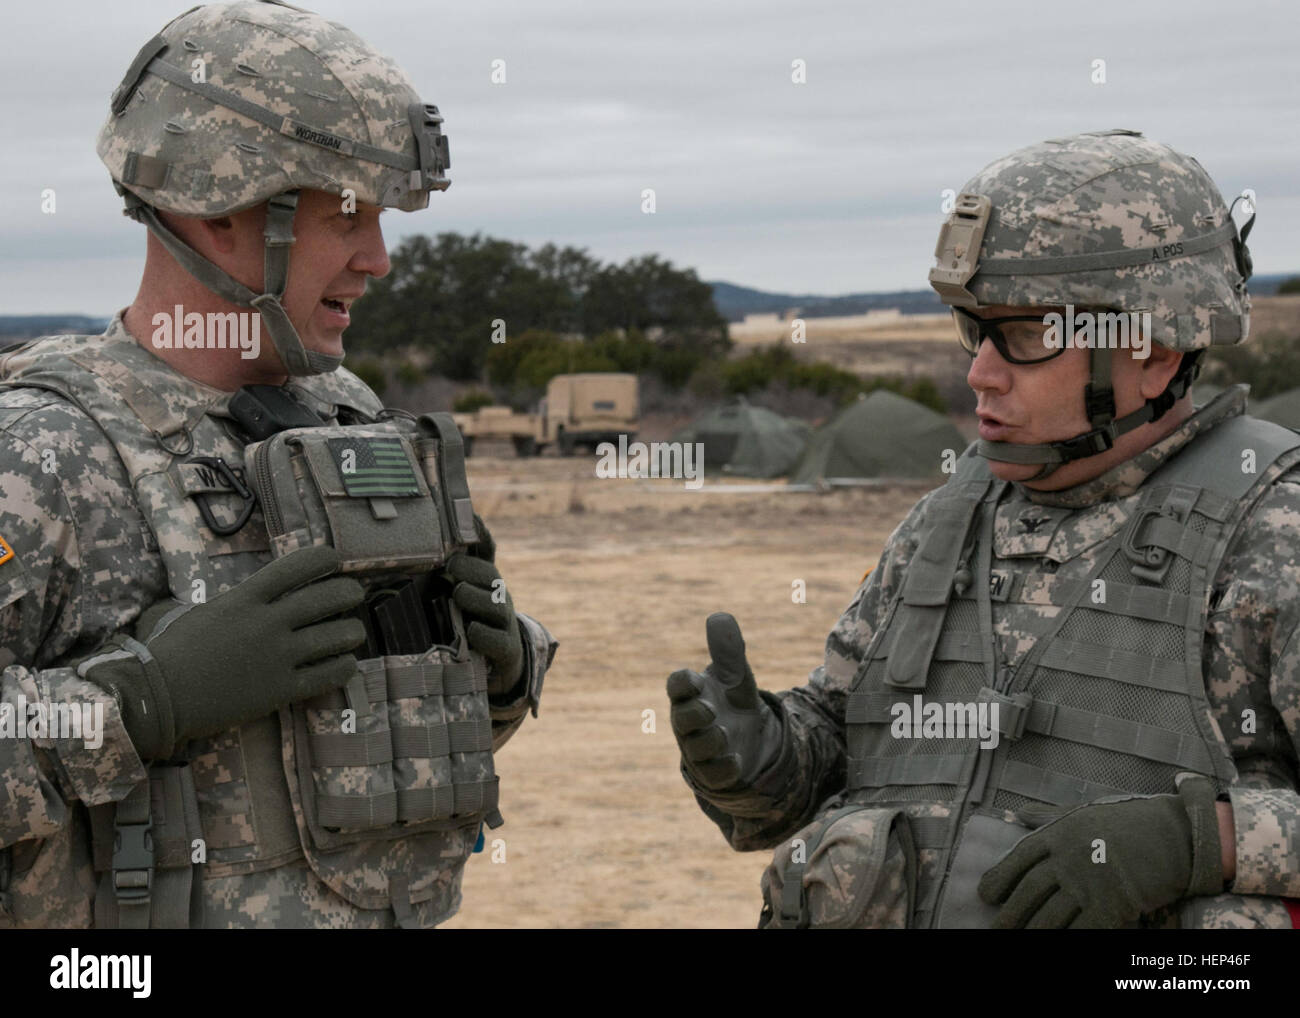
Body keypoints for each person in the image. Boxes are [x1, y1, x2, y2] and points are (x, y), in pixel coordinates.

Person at [0, 0, 555, 929]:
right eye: (349, 219)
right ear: (218, 210)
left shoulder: (354, 418)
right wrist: (141, 702)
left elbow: (372, 749)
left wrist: (495, 672)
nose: (378, 260)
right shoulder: (39, 456)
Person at [668, 129, 1300, 929]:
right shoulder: (952, 518)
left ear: (1153, 352)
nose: (980, 373)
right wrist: (759, 756)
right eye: (977, 329)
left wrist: (1203, 842)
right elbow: (844, 749)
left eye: (1027, 336)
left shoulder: (1273, 534)